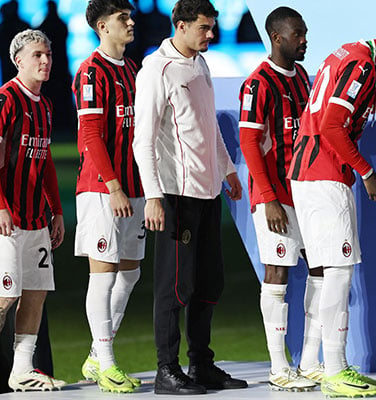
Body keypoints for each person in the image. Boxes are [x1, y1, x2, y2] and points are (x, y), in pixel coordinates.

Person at [288, 21, 376, 397]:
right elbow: (333, 126)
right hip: (324, 175)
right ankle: (336, 368)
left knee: (324, 274)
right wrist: (367, 172)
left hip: (310, 173)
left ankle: (313, 364)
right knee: (338, 273)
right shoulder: (361, 64)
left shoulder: (347, 54)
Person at [132, 0, 246, 395]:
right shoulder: (156, 70)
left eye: (212, 27)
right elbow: (142, 140)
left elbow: (208, 124)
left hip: (208, 190)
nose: (210, 34)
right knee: (174, 286)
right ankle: (167, 369)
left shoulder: (200, 62)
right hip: (175, 195)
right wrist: (152, 196)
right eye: (203, 27)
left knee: (208, 281)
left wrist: (228, 168)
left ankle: (202, 364)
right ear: (179, 26)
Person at [238, 6, 319, 392]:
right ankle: (278, 366)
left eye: (304, 33)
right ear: (277, 37)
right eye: (298, 34)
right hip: (275, 197)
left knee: (320, 271)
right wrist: (268, 197)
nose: (304, 40)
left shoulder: (302, 77)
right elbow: (249, 144)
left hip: (306, 191)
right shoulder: (257, 84)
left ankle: (311, 360)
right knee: (278, 273)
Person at [72, 0, 143, 393]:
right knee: (103, 275)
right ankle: (107, 361)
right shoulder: (90, 71)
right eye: (123, 18)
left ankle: (98, 356)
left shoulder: (131, 69)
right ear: (103, 26)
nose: (131, 23)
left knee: (130, 272)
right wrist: (113, 185)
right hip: (103, 189)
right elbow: (90, 135)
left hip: (134, 188)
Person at [0, 29, 65, 391]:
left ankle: (21, 369)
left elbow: (46, 162)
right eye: (37, 55)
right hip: (7, 219)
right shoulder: (6, 99)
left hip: (36, 219)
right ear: (18, 60)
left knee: (36, 291)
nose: (45, 61)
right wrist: (0, 207)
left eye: (49, 55)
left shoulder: (45, 105)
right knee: (6, 294)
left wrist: (55, 211)